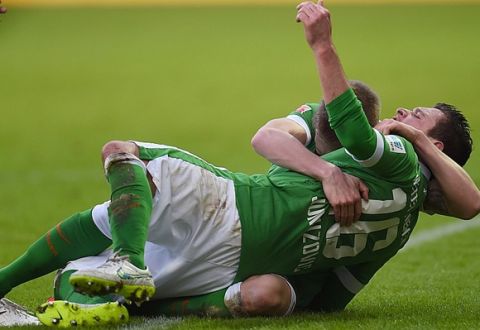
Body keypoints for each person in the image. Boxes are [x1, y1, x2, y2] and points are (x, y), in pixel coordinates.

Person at [0, 1, 476, 327]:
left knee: (125, 154)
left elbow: (352, 128)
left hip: (234, 207)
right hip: (240, 264)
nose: (402, 115)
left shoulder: (394, 154)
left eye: (417, 117)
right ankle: (105, 290)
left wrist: (322, 45)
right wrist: (327, 173)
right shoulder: (401, 223)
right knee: (264, 291)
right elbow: (268, 139)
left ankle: (124, 263)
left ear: (432, 144)